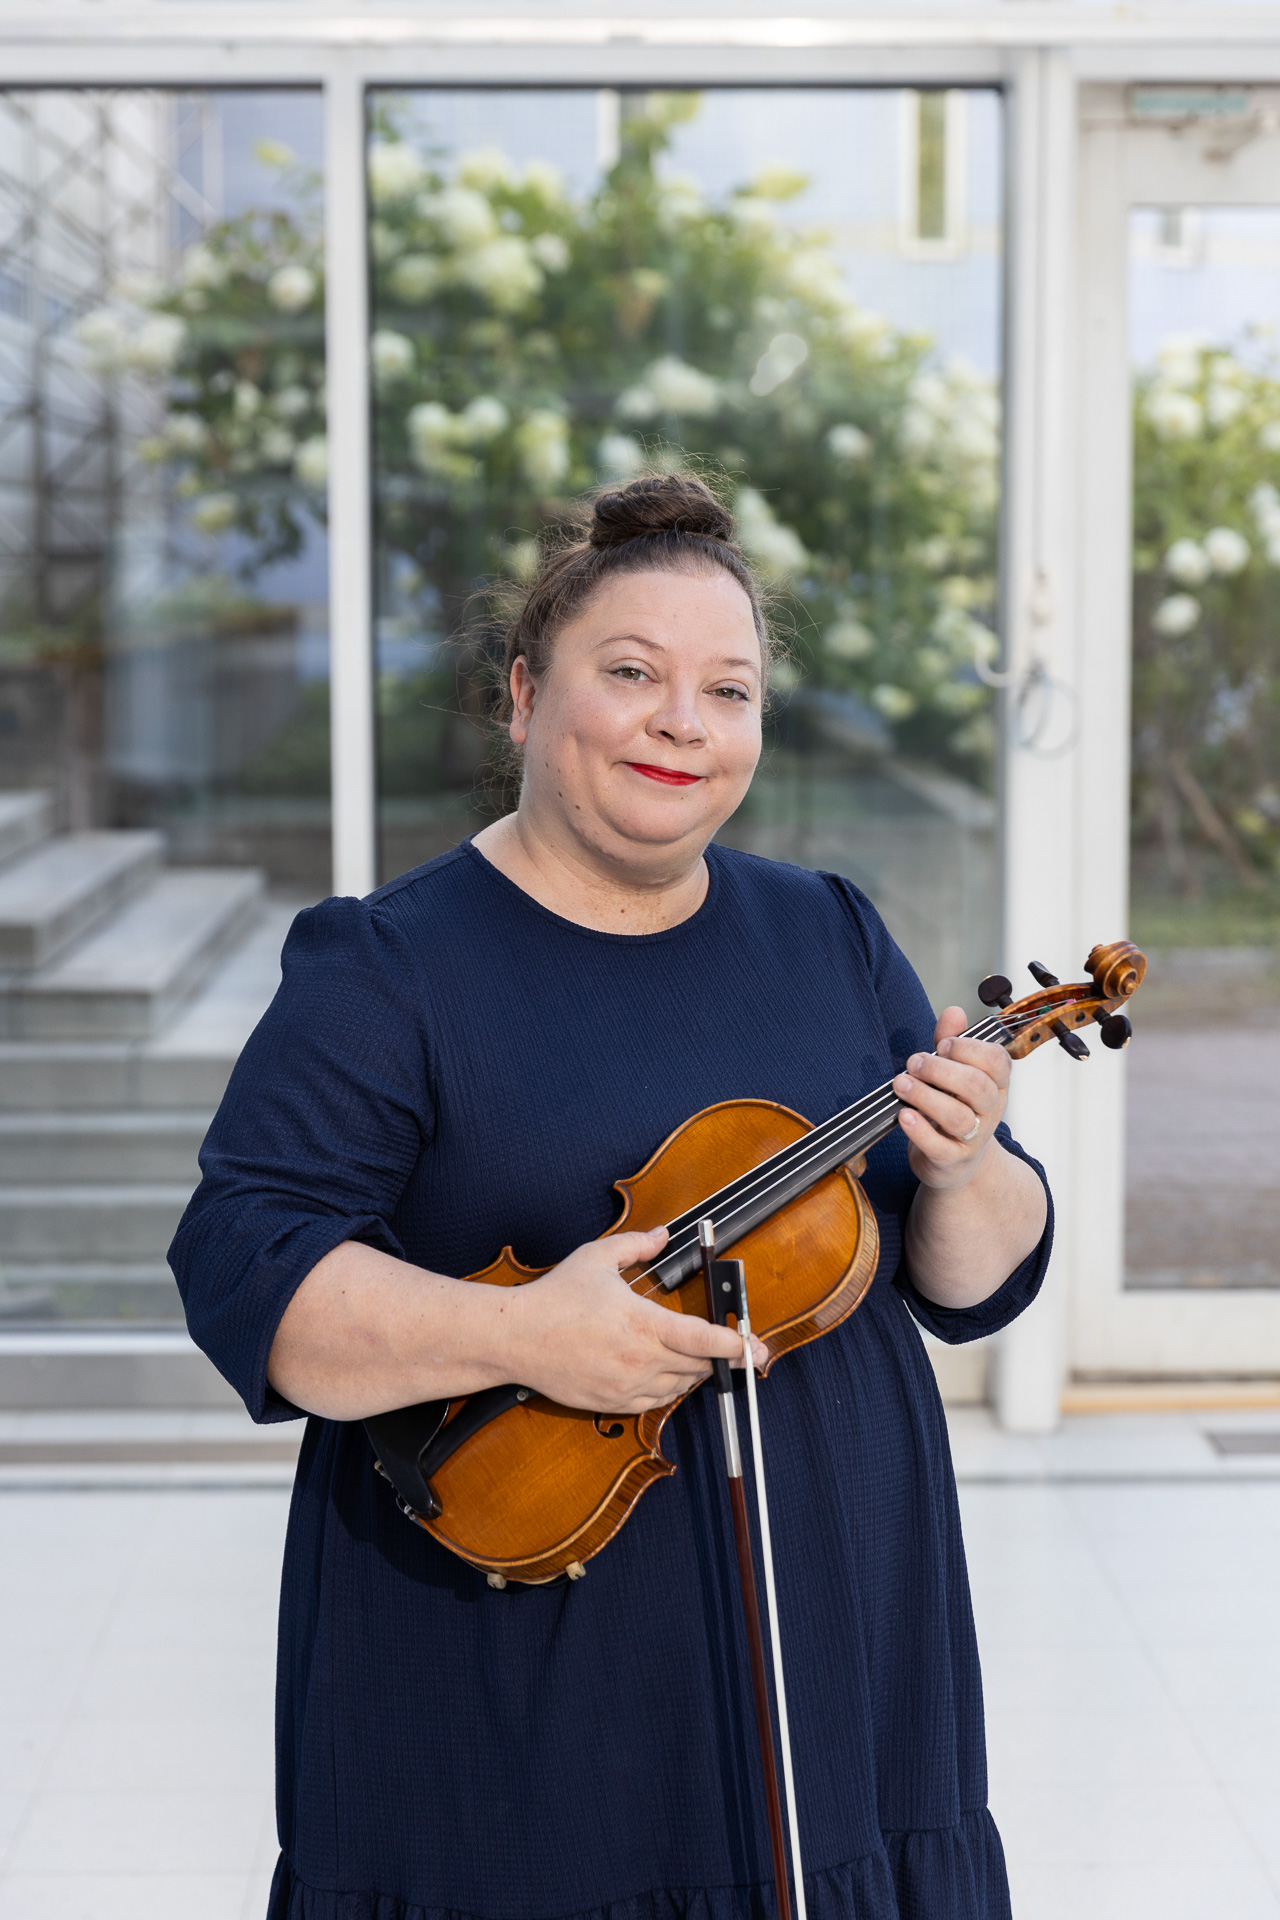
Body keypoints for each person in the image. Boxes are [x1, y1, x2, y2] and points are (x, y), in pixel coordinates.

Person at [171, 473, 1050, 1920]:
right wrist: (522, 1335)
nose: (683, 722)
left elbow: (971, 1278)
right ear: (523, 696)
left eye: (730, 689)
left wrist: (967, 1169)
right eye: (631, 674)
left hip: (834, 1628)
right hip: (512, 1667)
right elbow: (244, 1267)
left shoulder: (827, 929)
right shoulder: (388, 966)